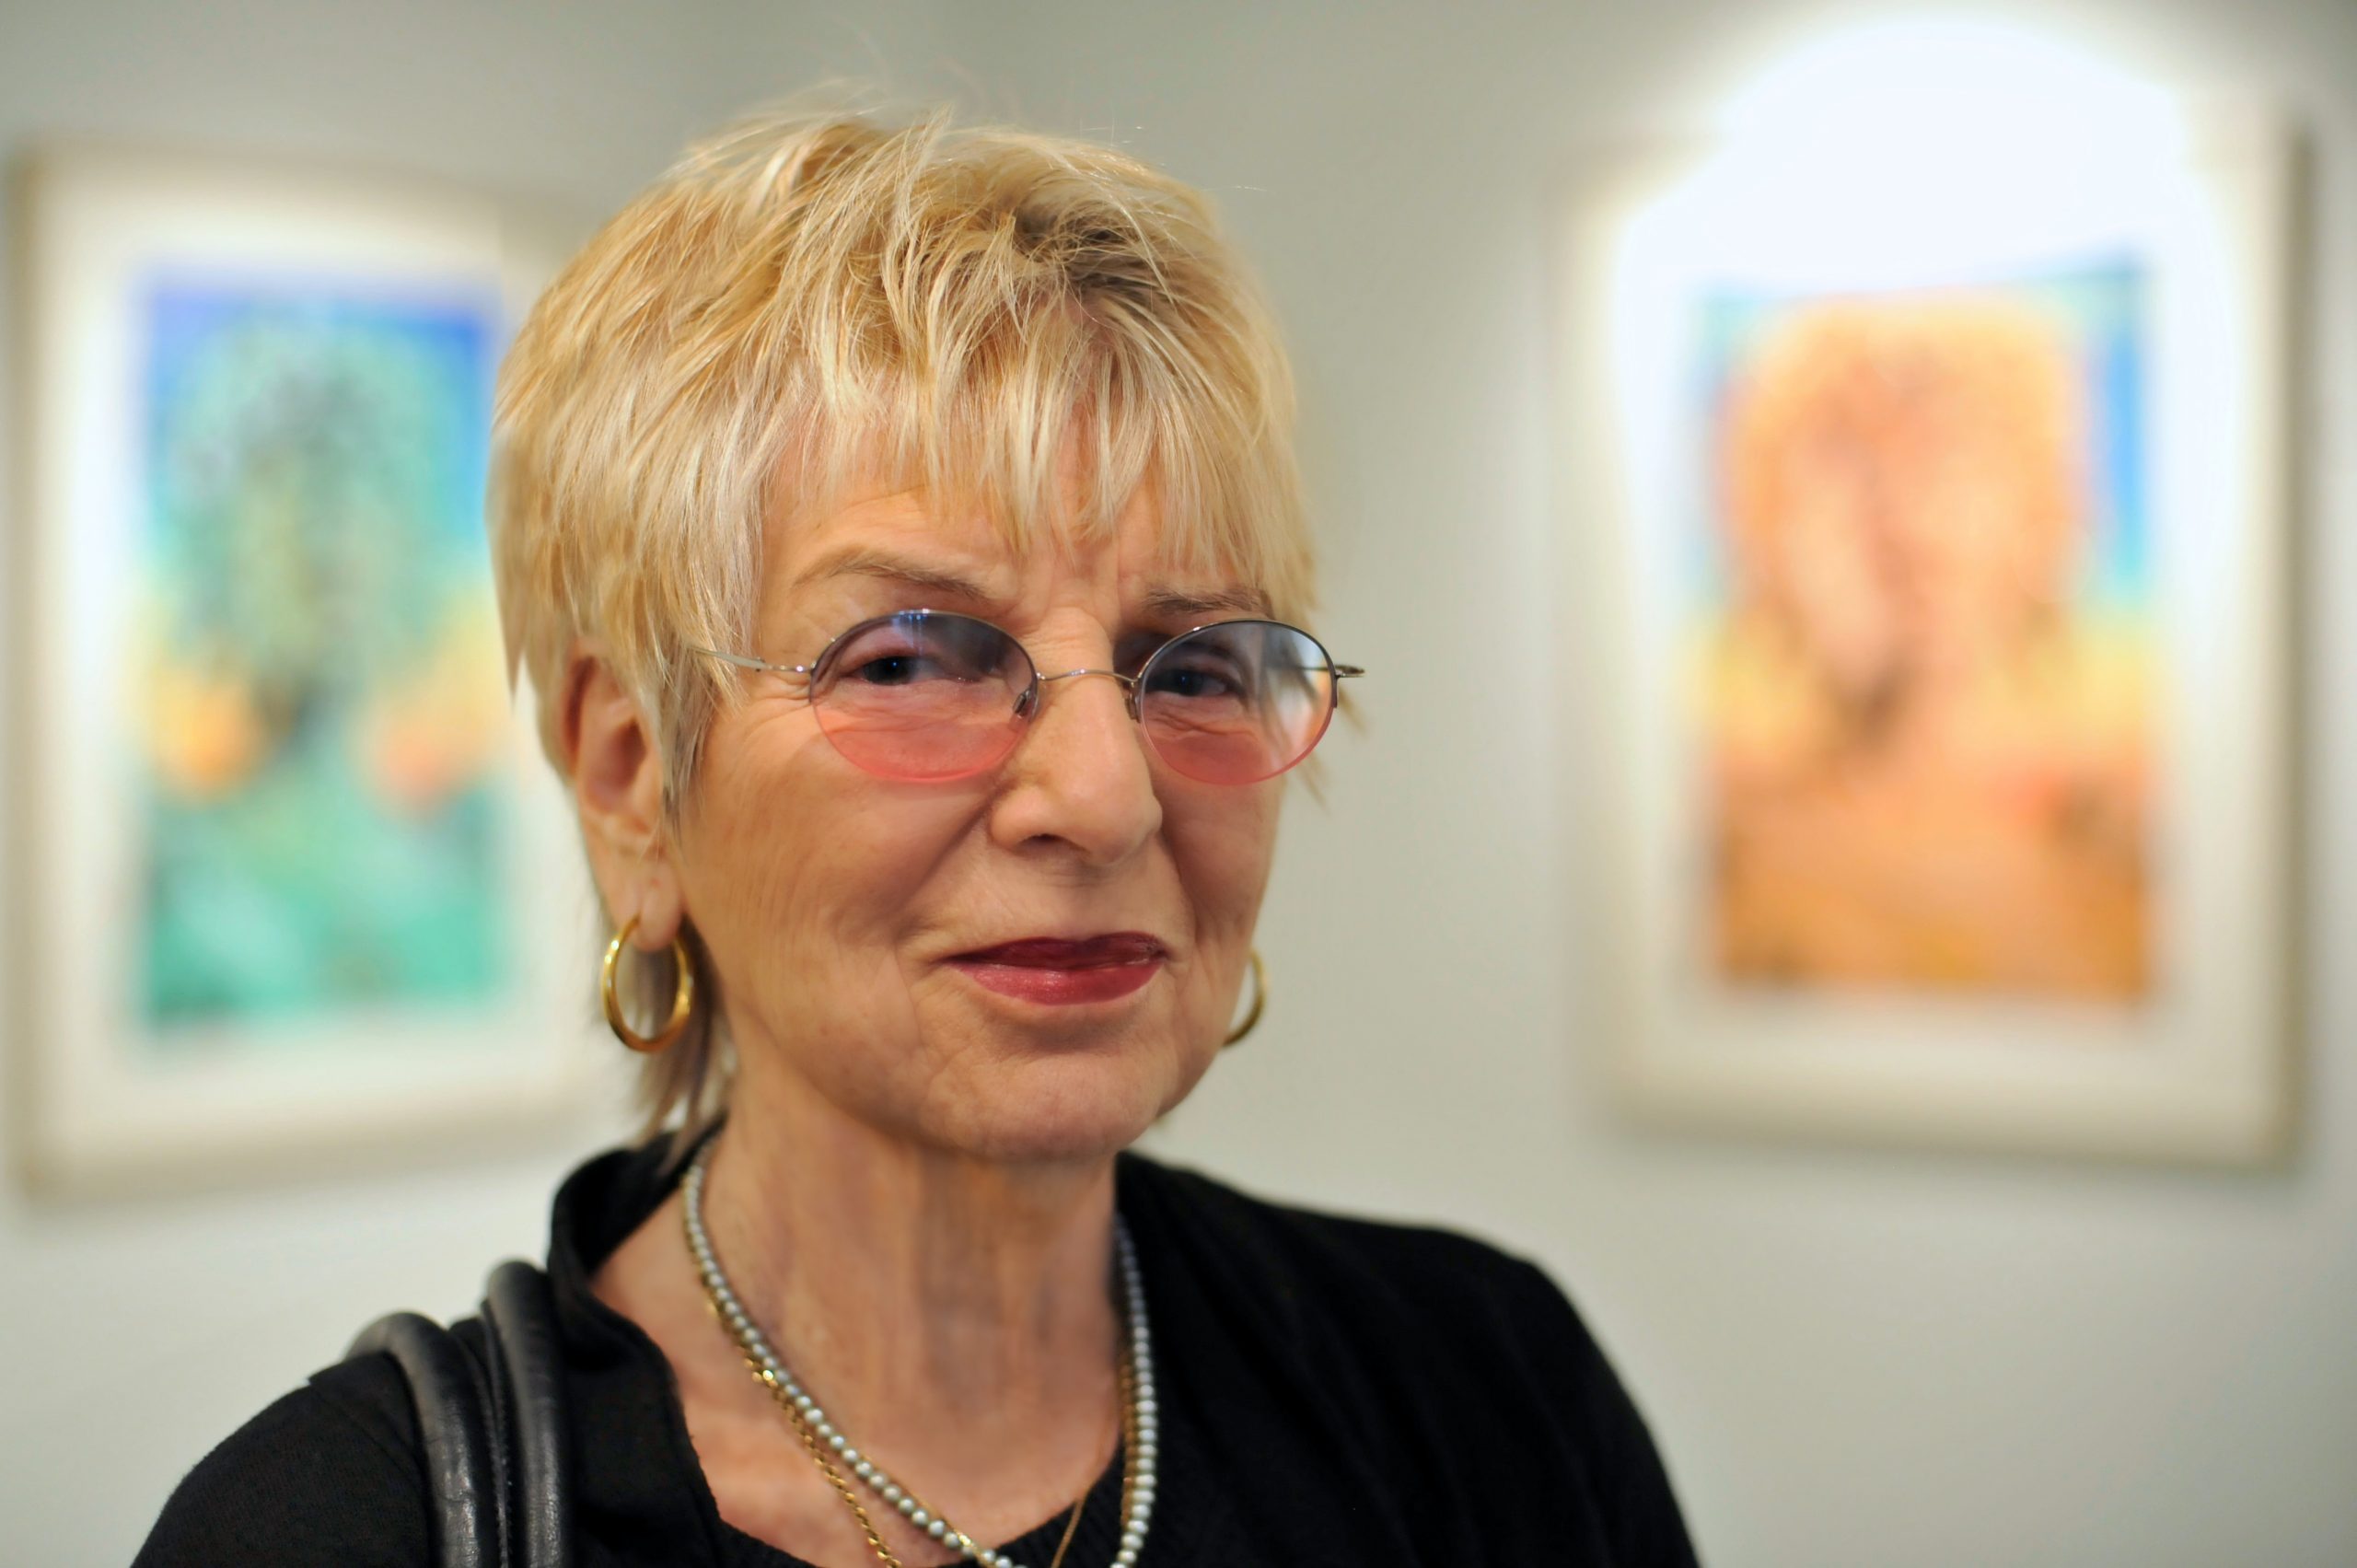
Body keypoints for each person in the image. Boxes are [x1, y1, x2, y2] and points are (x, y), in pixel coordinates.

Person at [134, 106, 1697, 1568]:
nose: (1105, 795)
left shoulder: (1482, 1400)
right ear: (630, 782)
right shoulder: (343, 1532)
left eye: (1196, 664)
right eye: (909, 660)